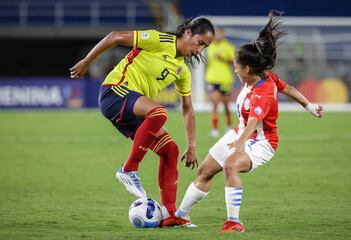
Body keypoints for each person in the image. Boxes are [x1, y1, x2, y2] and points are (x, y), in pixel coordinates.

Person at [173, 11, 324, 232]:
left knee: (231, 166)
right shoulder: (265, 76)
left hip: (262, 142)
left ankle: (234, 222)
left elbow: (254, 120)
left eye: (236, 66)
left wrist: (241, 142)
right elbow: (289, 89)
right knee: (205, 169)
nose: (234, 69)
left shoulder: (263, 91)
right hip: (241, 133)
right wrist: (309, 106)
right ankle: (180, 216)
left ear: (246, 69)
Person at [70, 17, 215, 227]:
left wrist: (191, 145)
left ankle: (171, 214)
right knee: (159, 112)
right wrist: (86, 61)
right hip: (114, 92)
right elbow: (115, 37)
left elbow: (187, 109)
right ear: (188, 33)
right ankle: (128, 169)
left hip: (131, 111)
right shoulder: (159, 40)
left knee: (170, 150)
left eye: (205, 47)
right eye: (200, 43)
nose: (200, 50)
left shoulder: (182, 70)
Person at [205, 27, 235, 137]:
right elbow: (208, 61)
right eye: (216, 34)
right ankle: (214, 129)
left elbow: (234, 61)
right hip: (212, 79)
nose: (217, 36)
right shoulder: (210, 46)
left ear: (223, 34)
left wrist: (223, 58)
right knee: (214, 104)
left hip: (225, 79)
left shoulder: (228, 46)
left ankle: (228, 126)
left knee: (226, 105)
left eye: (219, 34)